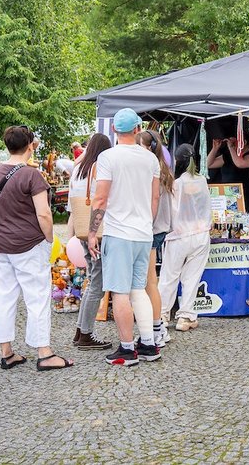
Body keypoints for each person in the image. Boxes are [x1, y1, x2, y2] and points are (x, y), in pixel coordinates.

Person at [0, 125, 72, 371]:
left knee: (5, 296)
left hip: (0, 243)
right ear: (31, 145)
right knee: (37, 297)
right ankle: (44, 352)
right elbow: (44, 213)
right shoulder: (32, 176)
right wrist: (48, 239)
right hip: (28, 243)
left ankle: (7, 351)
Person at [88, 108, 161, 366]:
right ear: (138, 129)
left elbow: (100, 198)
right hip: (143, 232)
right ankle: (149, 344)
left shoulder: (107, 157)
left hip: (119, 232)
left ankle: (127, 349)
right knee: (138, 289)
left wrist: (93, 232)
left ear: (114, 131)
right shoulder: (150, 159)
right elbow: (155, 198)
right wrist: (146, 223)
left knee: (119, 291)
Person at [158, 144, 212, 332]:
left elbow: (170, 210)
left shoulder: (175, 183)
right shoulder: (202, 181)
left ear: (178, 161)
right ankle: (186, 317)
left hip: (178, 235)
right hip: (200, 233)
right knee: (192, 277)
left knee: (168, 276)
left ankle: (162, 315)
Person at [70, 133, 113, 350]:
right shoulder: (100, 170)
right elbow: (103, 199)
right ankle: (85, 333)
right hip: (98, 232)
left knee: (92, 278)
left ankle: (80, 330)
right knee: (97, 282)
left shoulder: (78, 169)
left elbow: (71, 205)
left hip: (82, 232)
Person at [139, 129, 173, 346]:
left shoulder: (153, 171)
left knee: (149, 281)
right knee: (149, 281)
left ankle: (157, 329)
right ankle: (155, 327)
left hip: (151, 229)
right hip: (157, 228)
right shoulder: (162, 168)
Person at [207, 133, 249, 212]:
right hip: (228, 198)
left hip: (247, 199)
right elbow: (209, 164)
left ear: (244, 142)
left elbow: (240, 164)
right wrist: (215, 149)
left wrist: (231, 148)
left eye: (233, 142)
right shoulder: (228, 156)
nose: (231, 144)